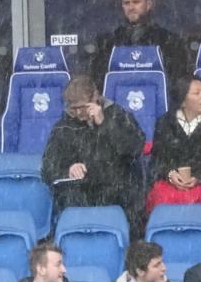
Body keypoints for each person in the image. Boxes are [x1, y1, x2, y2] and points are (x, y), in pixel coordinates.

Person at [41, 75, 145, 229]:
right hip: (79, 194)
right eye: (73, 108)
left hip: (117, 191)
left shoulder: (118, 115)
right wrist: (68, 169)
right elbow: (47, 167)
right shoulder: (63, 127)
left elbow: (134, 148)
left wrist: (105, 123)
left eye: (82, 107)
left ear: (96, 98)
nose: (77, 113)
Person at [145, 76, 201, 213]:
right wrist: (170, 174)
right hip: (171, 185)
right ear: (183, 100)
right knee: (162, 196)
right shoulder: (165, 122)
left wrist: (199, 177)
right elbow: (157, 160)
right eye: (197, 93)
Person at [93, 0, 188, 88]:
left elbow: (178, 80)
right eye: (127, 3)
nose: (131, 7)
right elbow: (99, 80)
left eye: (136, 2)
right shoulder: (110, 42)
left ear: (149, 4)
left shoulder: (167, 40)